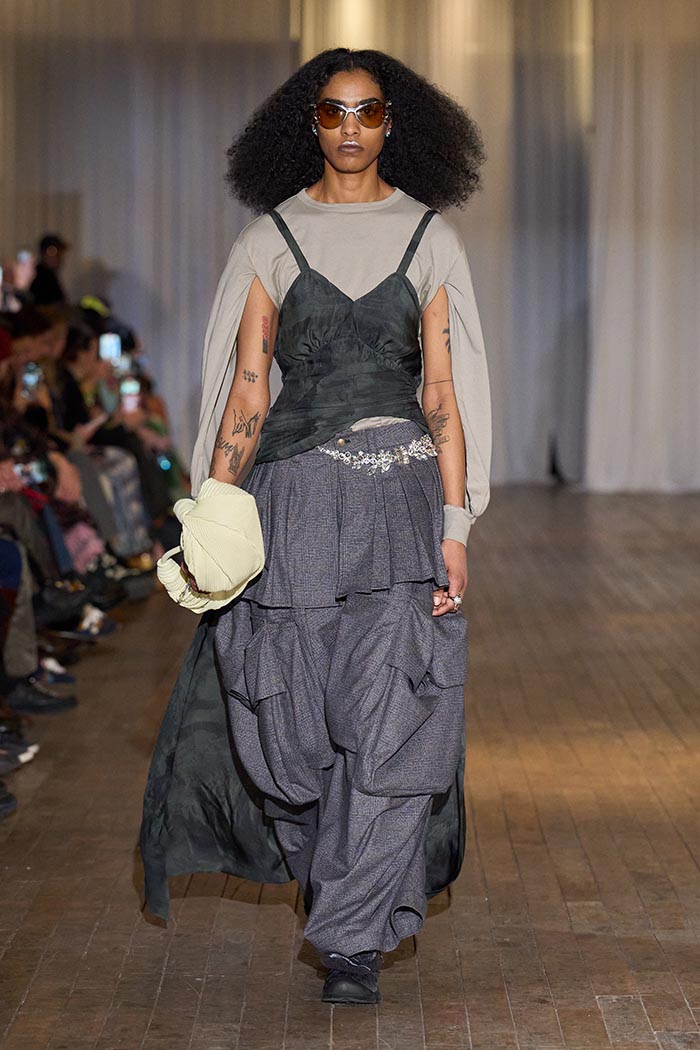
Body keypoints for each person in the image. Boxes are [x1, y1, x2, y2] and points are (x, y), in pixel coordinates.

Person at [140, 47, 492, 1006]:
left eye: (368, 111)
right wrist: (213, 512)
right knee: (285, 735)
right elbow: (248, 389)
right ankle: (335, 873)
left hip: (400, 507)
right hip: (292, 504)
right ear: (309, 122)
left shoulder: (429, 237)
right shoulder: (271, 237)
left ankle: (352, 940)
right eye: (333, 112)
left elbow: (443, 395)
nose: (350, 128)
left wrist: (455, 526)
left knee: (390, 723)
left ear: (393, 124)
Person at [30, 234, 70, 306]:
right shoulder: (39, 276)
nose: (58, 257)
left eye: (60, 253)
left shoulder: (49, 274)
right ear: (44, 254)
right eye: (54, 252)